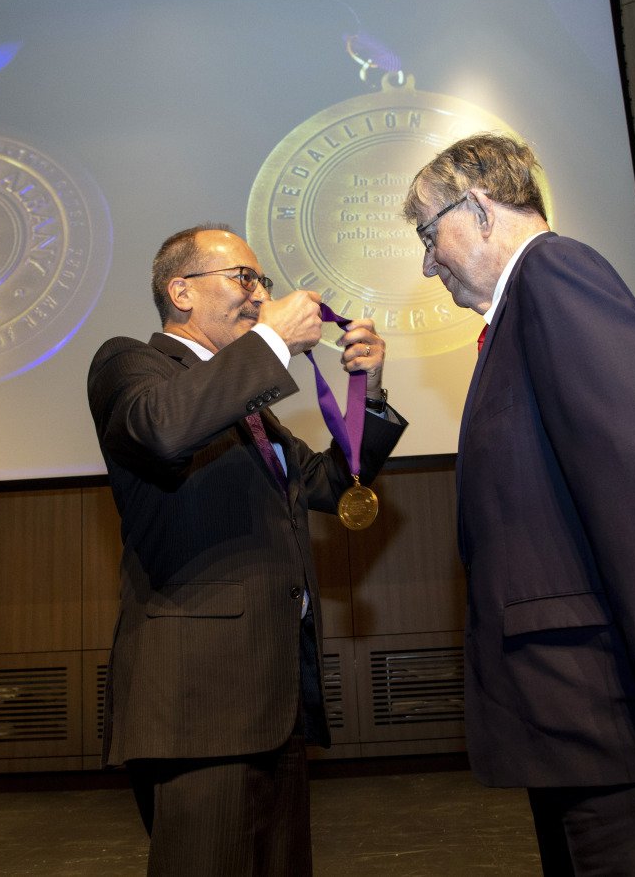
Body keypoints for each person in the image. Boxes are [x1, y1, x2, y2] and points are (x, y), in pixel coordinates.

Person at [403, 134, 635, 876]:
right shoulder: (517, 314)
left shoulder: (554, 274)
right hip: (588, 724)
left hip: (628, 719)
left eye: (426, 232)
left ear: (477, 208)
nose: (425, 261)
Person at [87, 224, 405, 876]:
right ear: (180, 291)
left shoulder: (251, 411)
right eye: (243, 279)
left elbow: (327, 483)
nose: (260, 294)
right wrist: (269, 343)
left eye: (261, 281)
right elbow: (163, 429)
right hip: (196, 699)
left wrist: (367, 394)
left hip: (273, 692)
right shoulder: (129, 365)